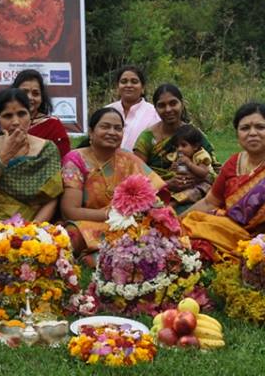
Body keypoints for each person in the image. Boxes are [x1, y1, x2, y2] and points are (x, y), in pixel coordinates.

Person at [181, 102, 265, 261]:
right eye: (245, 128)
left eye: (260, 127)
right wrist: (177, 221)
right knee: (188, 229)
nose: (252, 133)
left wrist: (259, 251)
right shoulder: (234, 162)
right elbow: (210, 202)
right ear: (237, 134)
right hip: (226, 230)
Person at [61, 107, 164, 256]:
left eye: (117, 128)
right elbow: (70, 211)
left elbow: (154, 191)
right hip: (91, 223)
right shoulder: (75, 159)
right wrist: (112, 216)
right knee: (72, 235)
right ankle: (118, 253)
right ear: (91, 132)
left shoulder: (127, 159)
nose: (112, 132)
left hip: (129, 223)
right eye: (105, 127)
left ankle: (112, 254)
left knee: (157, 228)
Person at [0, 88, 63, 226]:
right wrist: (4, 156)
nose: (16, 122)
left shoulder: (47, 150)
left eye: (22, 114)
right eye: (7, 116)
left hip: (29, 224)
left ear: (31, 117)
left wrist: (33, 230)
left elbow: (52, 198)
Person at [0, 69, 71, 159]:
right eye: (24, 92)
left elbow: (63, 160)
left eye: (35, 93)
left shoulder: (52, 125)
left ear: (42, 97)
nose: (30, 97)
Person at [105, 65, 160, 151]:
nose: (129, 85)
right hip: (106, 162)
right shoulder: (106, 111)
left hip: (141, 163)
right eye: (124, 81)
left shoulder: (154, 113)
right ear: (117, 87)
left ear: (143, 88)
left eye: (134, 82)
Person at [166, 124, 214, 206]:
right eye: (177, 146)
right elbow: (182, 171)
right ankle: (170, 199)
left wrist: (189, 163)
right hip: (189, 183)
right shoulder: (183, 156)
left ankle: (174, 203)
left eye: (183, 145)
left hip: (203, 184)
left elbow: (204, 173)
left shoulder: (201, 155)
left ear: (195, 146)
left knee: (194, 192)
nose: (179, 149)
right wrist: (174, 168)